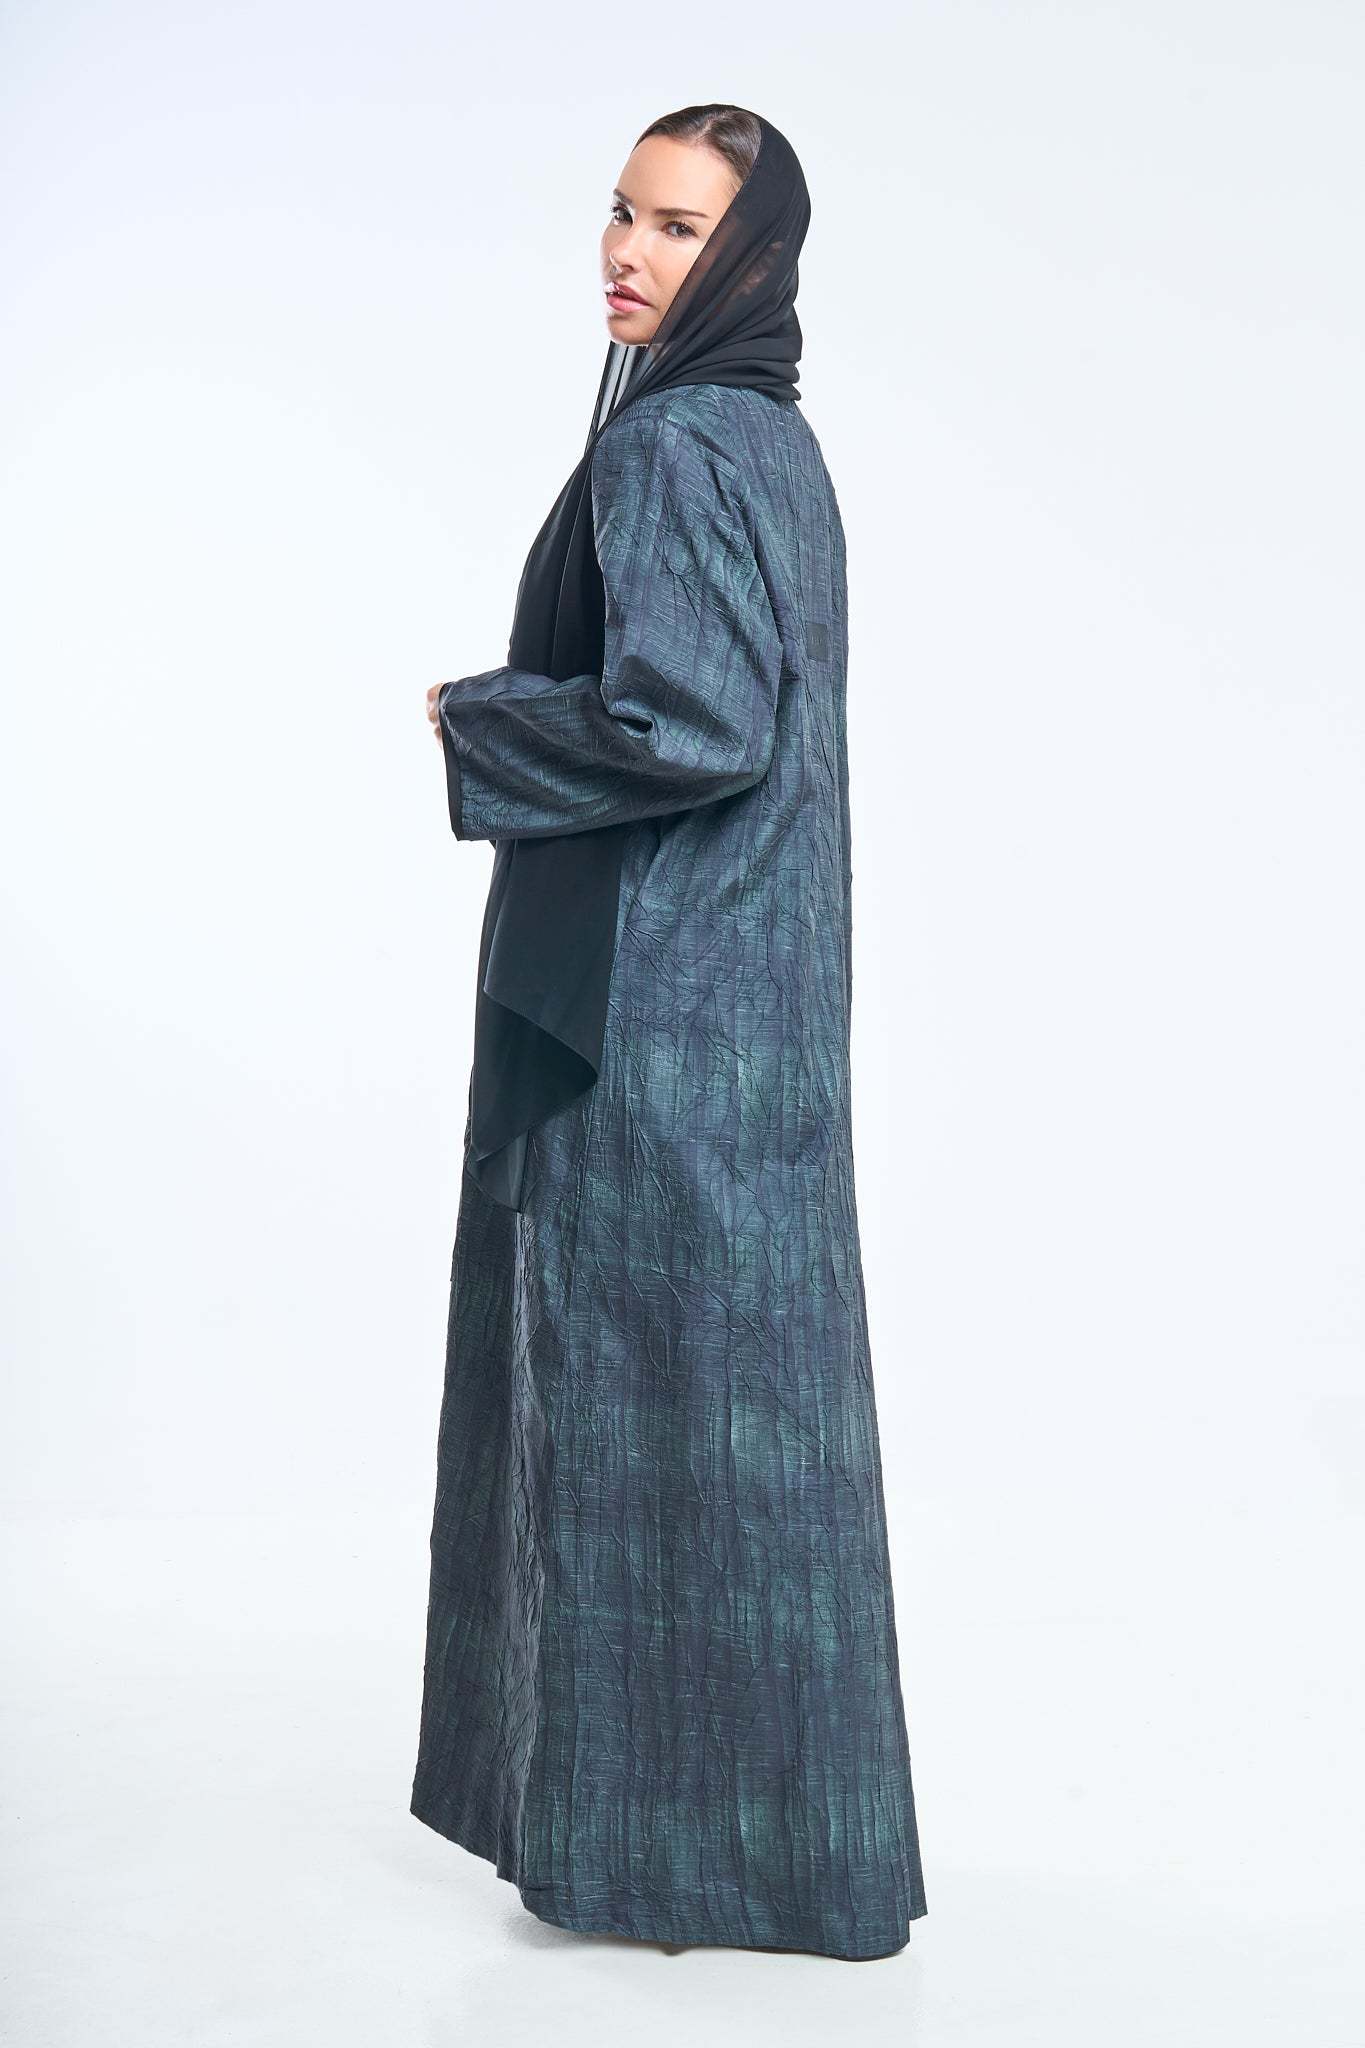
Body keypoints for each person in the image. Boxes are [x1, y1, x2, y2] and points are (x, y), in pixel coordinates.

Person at [411, 104, 928, 1962]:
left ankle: (658, 1861)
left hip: (655, 1007)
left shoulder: (673, 445)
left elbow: (695, 724)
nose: (630, 254)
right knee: (748, 1431)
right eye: (624, 214)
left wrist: (479, 717)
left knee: (636, 1421)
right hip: (763, 999)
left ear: (753, 257)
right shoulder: (773, 439)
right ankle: (797, 1860)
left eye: (681, 229)